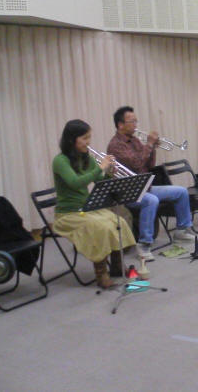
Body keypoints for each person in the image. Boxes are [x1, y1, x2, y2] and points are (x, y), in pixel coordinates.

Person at [107, 106, 198, 262]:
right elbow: (137, 163)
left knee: (181, 192)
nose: (136, 125)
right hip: (128, 192)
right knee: (151, 200)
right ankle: (144, 244)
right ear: (120, 125)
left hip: (145, 187)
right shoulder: (116, 145)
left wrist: (153, 149)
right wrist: (150, 144)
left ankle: (181, 231)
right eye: (132, 121)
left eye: (136, 121)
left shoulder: (135, 140)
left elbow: (149, 164)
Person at [52, 119, 136, 289]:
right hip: (68, 214)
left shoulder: (86, 158)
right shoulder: (60, 161)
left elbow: (99, 181)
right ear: (71, 140)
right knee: (100, 227)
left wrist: (109, 172)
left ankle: (117, 266)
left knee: (118, 221)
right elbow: (75, 183)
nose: (88, 142)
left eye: (89, 137)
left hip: (87, 209)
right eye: (84, 138)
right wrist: (100, 167)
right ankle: (101, 274)